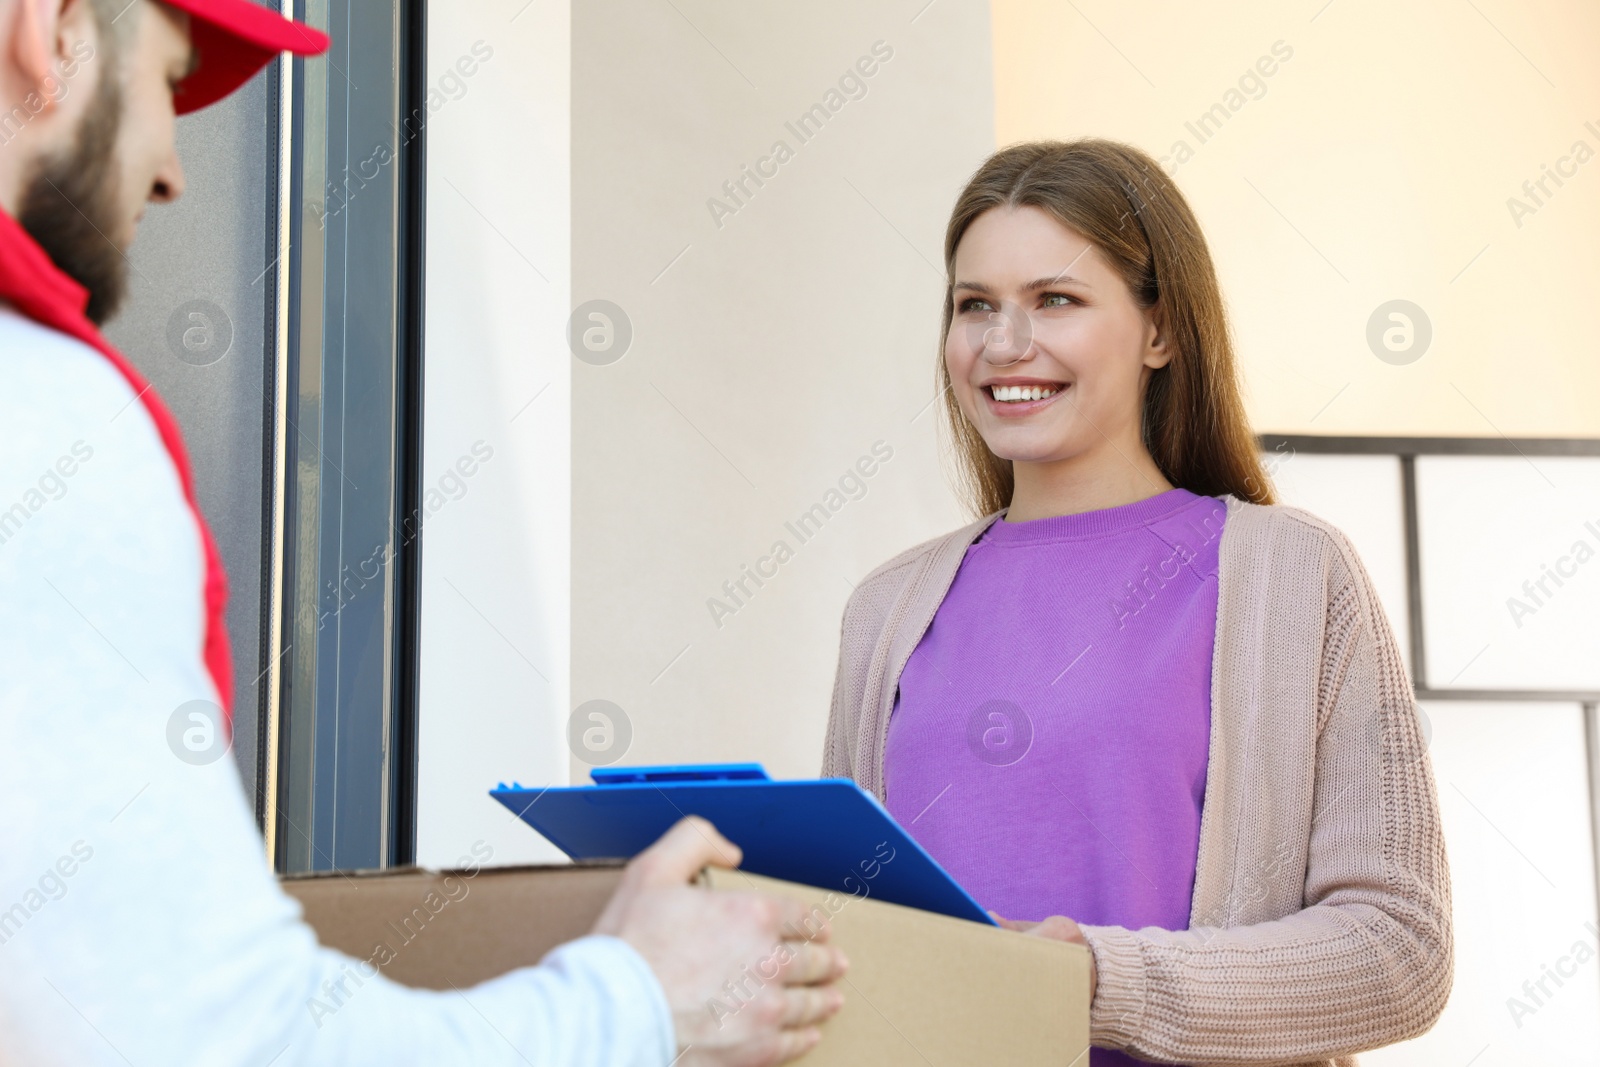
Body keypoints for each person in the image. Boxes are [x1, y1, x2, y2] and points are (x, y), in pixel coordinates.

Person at [0, 1, 845, 1064]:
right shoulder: (48, 421)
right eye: (170, 81)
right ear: (55, 30)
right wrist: (636, 1002)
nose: (173, 169)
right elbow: (209, 1038)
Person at [822, 138, 1452, 1064]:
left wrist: (1097, 982)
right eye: (975, 306)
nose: (1004, 345)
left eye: (1056, 301)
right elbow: (848, 919)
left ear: (1160, 330)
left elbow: (1400, 950)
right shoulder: (887, 608)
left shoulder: (1295, 577)